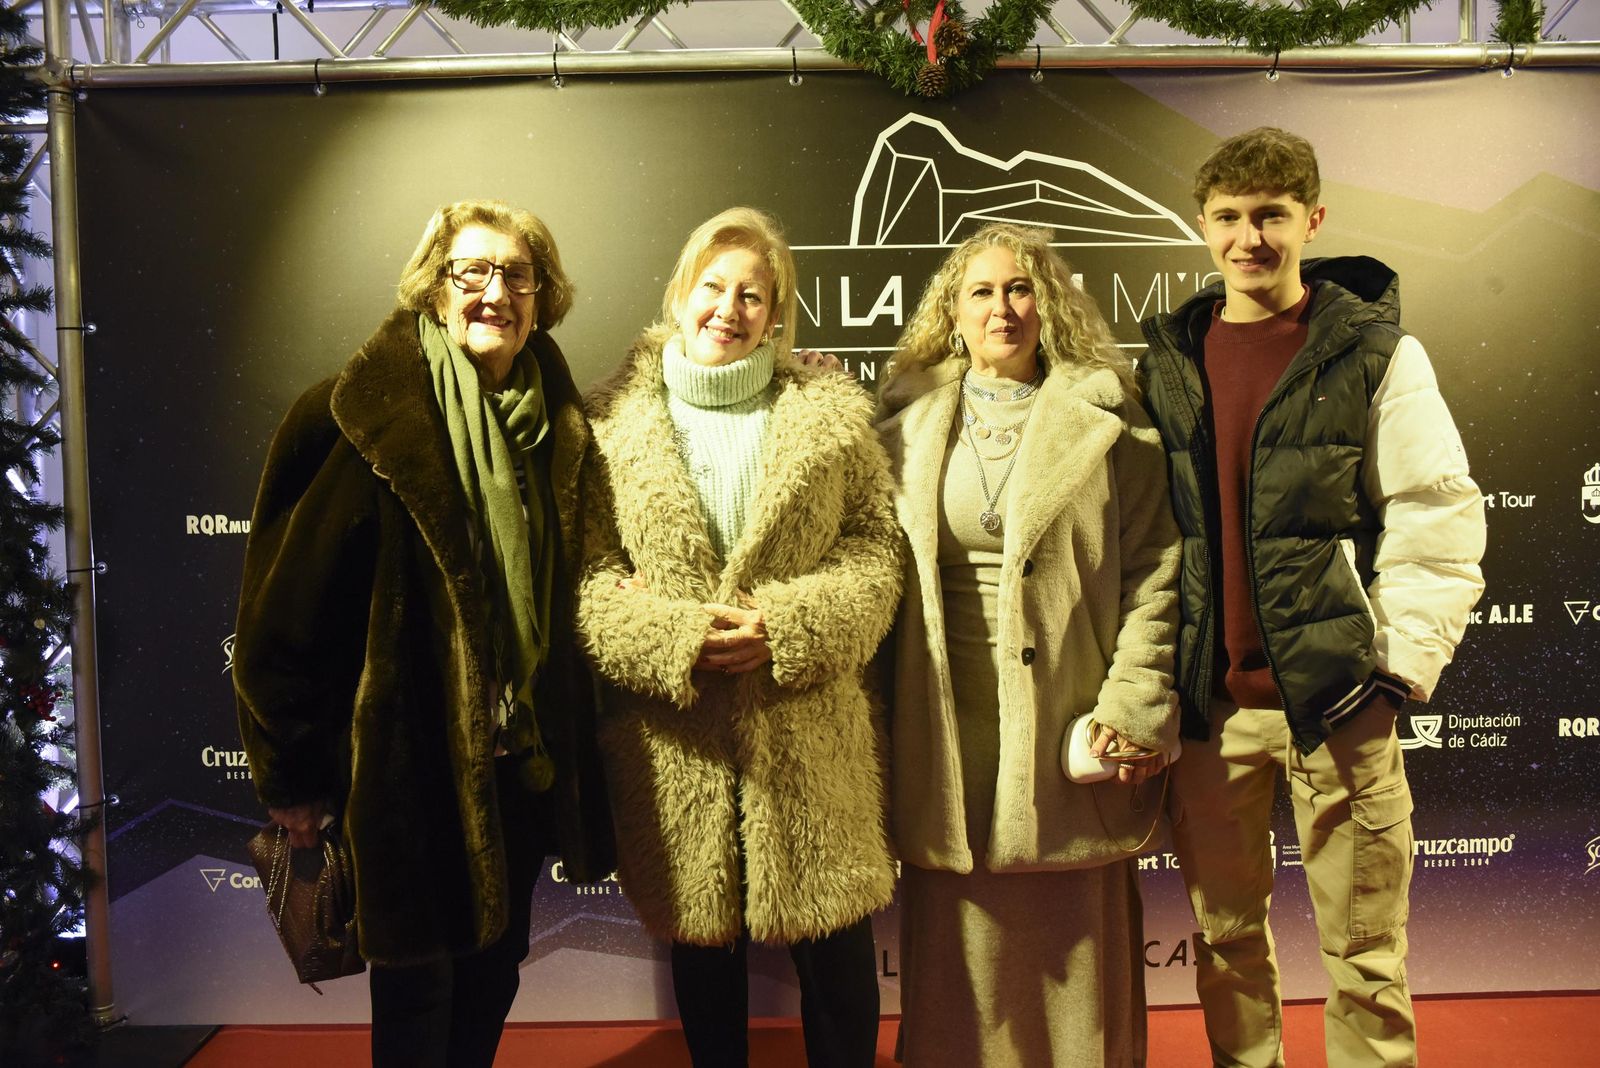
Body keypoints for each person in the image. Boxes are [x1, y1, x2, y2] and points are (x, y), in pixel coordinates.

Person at [233, 199, 613, 1068]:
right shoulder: (355, 421)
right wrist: (291, 777)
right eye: (470, 272)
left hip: (516, 765)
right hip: (402, 775)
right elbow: (281, 618)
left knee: (496, 974)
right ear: (433, 290)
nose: (495, 292)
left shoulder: (554, 429)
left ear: (542, 297)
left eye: (517, 275)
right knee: (417, 994)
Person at [1138, 127, 1487, 1067]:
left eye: (1272, 216)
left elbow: (1435, 515)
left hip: (1340, 706)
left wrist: (1395, 671)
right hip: (1214, 715)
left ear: (1312, 219)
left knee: (1368, 955)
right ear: (1202, 225)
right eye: (1229, 218)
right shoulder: (1167, 360)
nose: (1250, 238)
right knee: (1224, 943)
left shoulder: (1375, 353)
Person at [575, 207, 903, 1068]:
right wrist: (673, 636)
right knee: (703, 959)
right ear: (680, 294)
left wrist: (787, 626)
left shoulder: (831, 416)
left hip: (808, 734)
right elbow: (585, 580)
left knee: (837, 962)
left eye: (752, 295)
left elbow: (876, 554)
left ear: (777, 314)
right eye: (713, 287)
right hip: (676, 743)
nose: (729, 308)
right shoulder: (604, 425)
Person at [877, 222, 1182, 1066]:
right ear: (953, 311)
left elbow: (1158, 571)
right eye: (982, 291)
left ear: (1047, 306)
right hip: (943, 722)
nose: (1003, 308)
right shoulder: (901, 422)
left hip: (1067, 716)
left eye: (1020, 290)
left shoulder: (1109, 419)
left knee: (1072, 942)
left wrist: (1133, 704)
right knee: (957, 950)